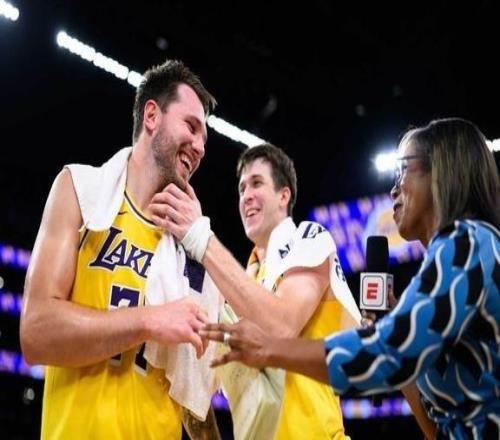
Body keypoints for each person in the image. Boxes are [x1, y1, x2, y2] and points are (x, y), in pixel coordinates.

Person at [200, 118, 500, 439]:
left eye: (403, 170)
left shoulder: (470, 242)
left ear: (440, 171)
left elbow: (388, 352)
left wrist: (269, 348)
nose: (393, 188)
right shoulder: (448, 260)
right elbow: (433, 426)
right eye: (241, 188)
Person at [20, 59, 222, 439]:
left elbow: (192, 392)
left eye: (204, 139)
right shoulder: (80, 191)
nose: (199, 147)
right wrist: (148, 320)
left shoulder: (192, 252)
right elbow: (36, 331)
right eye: (191, 127)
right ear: (151, 116)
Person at [150, 143, 362, 439]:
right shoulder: (240, 286)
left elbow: (281, 327)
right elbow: (194, 386)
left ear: (284, 195)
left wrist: (199, 237)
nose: (246, 195)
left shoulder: (308, 238)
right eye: (241, 188)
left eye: (257, 183)